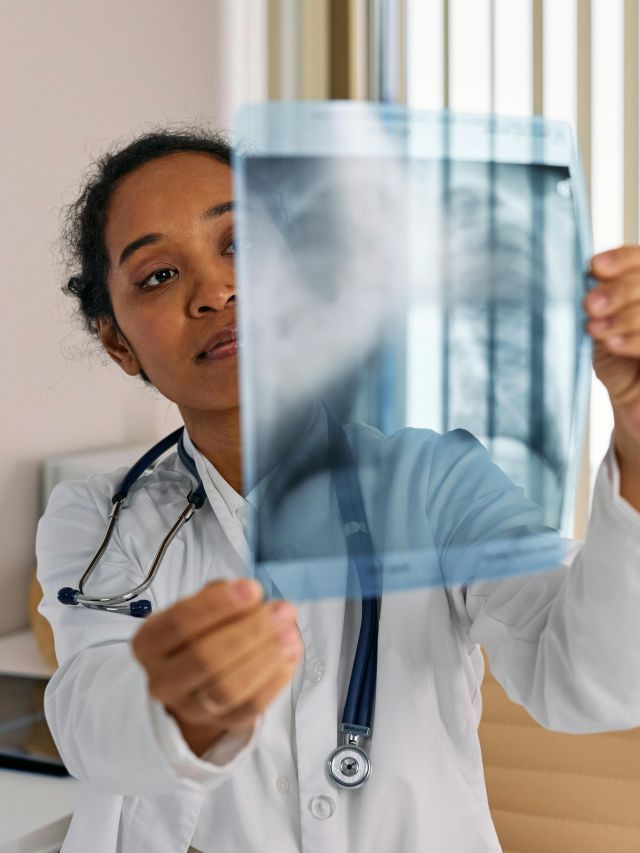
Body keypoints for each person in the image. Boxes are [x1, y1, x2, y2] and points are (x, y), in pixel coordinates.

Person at [37, 128, 640, 853]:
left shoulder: (436, 483)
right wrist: (179, 709)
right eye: (159, 274)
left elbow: (593, 681)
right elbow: (90, 727)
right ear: (117, 342)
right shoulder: (97, 518)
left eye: (242, 245)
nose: (216, 291)